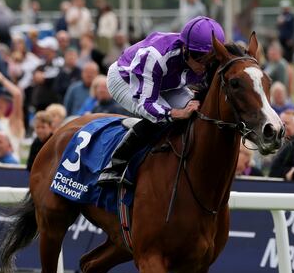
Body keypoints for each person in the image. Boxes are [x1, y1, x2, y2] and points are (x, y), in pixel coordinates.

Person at [96, 16, 226, 186]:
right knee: (160, 120)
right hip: (125, 79)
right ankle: (114, 167)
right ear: (185, 48)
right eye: (199, 57)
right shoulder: (156, 56)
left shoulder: (205, 60)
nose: (204, 65)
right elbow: (147, 105)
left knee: (197, 113)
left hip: (169, 80)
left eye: (210, 59)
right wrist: (176, 113)